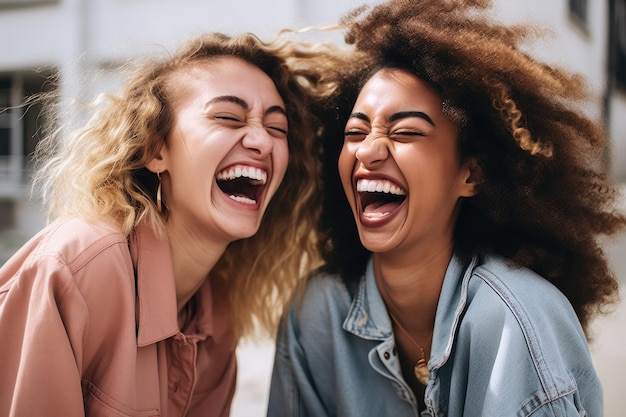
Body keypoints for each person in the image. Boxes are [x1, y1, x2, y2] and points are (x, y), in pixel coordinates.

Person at [267, 0, 626, 415]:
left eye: (405, 131)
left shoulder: (517, 322)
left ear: (471, 175)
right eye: (355, 131)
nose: (368, 150)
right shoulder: (316, 313)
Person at [0, 31, 326, 416]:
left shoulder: (216, 314)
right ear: (156, 148)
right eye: (228, 117)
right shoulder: (78, 268)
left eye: (277, 128)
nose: (262, 140)